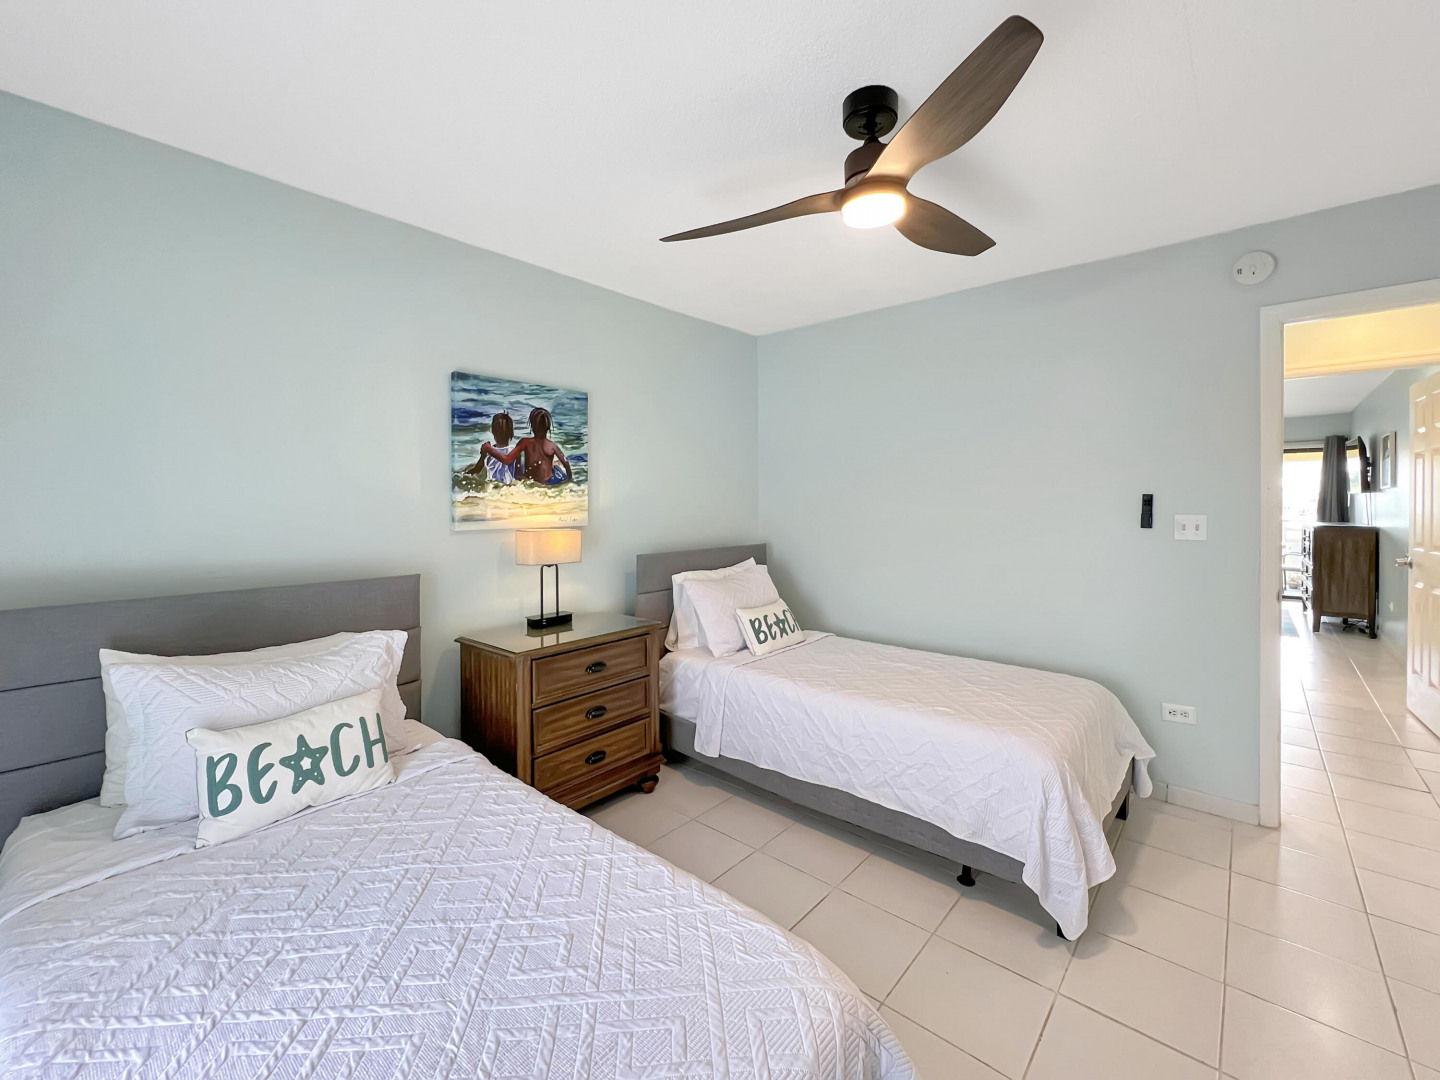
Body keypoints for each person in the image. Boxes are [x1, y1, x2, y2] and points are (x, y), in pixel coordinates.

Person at [485, 406, 572, 485]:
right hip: (549, 482)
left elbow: (507, 460)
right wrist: (570, 480)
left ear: (532, 426)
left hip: (532, 482)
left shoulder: (525, 442)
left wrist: (489, 449)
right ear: (548, 427)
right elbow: (566, 463)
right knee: (556, 465)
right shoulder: (552, 446)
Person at [462, 412, 517, 483]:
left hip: (490, 484)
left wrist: (483, 455)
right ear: (511, 432)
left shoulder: (489, 450)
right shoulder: (514, 450)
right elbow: (518, 474)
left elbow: (477, 470)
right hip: (507, 486)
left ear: (493, 431)